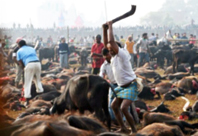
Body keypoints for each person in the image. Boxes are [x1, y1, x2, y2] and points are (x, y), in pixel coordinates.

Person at [103, 21, 138, 134]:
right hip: (121, 87)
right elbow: (107, 45)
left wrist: (111, 26)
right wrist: (104, 30)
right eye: (109, 50)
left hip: (131, 85)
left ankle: (133, 130)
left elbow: (111, 42)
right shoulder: (112, 57)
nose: (110, 51)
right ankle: (123, 128)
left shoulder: (122, 54)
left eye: (111, 49)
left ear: (117, 48)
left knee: (123, 108)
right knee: (114, 106)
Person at [16, 40, 43, 106]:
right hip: (38, 63)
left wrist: (24, 68)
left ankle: (27, 100)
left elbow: (20, 61)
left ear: (19, 45)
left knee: (28, 83)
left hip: (29, 64)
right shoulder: (31, 48)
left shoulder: (19, 51)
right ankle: (40, 97)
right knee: (38, 81)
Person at [99, 48, 118, 122]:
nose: (106, 58)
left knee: (124, 105)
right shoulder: (104, 65)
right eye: (105, 57)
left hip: (121, 84)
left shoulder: (117, 61)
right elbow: (101, 75)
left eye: (107, 56)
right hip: (112, 85)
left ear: (109, 54)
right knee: (110, 104)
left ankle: (124, 120)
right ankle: (113, 119)